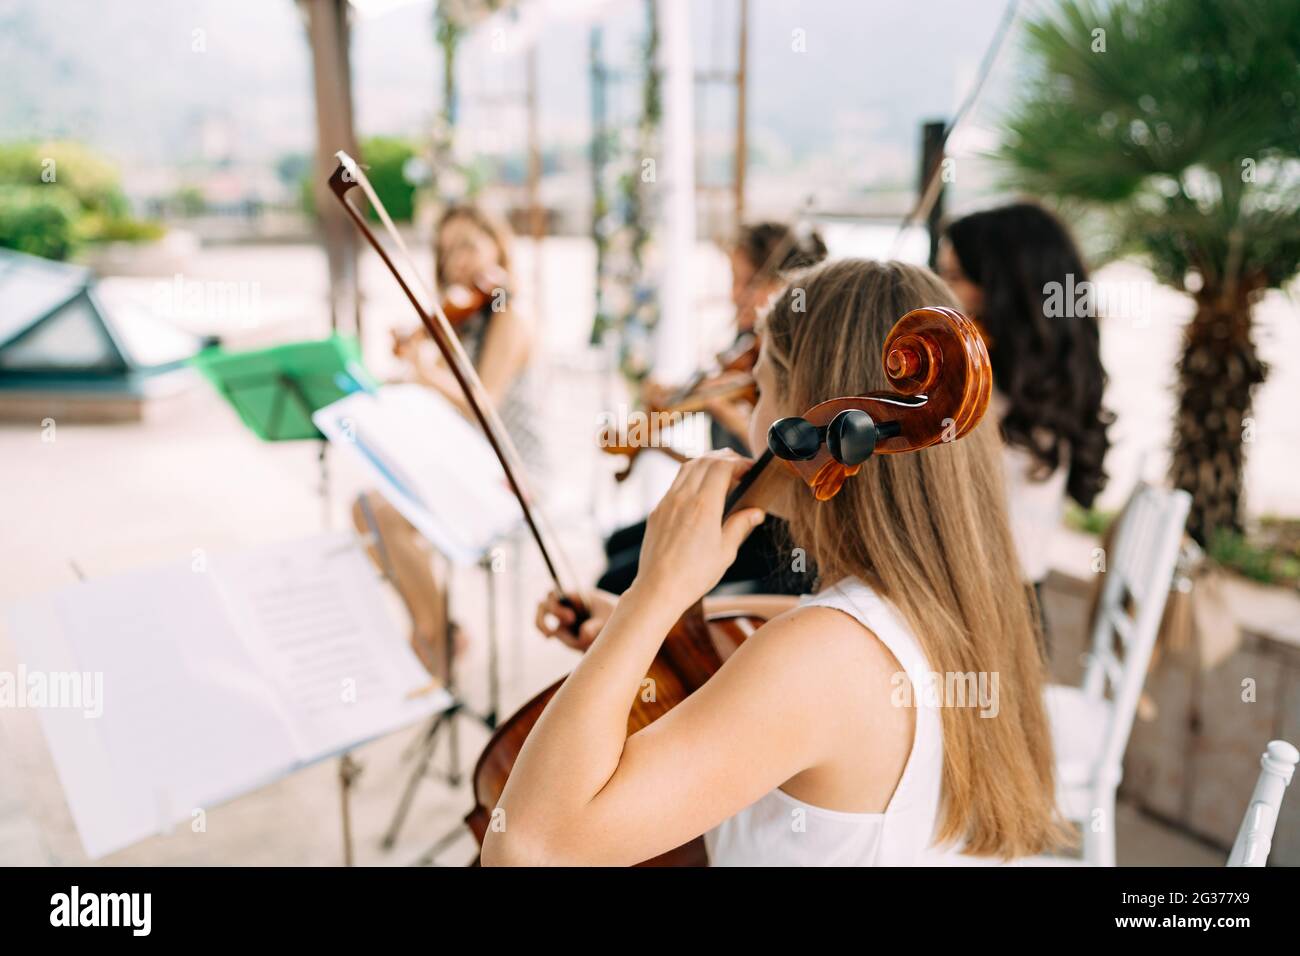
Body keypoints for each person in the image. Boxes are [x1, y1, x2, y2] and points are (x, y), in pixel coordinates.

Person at [484, 260, 1066, 866]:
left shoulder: (821, 654)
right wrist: (645, 629)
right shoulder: (954, 606)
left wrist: (651, 595)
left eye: (759, 390)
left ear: (822, 428)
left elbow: (528, 847)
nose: (749, 424)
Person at [353, 204, 538, 681]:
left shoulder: (509, 316)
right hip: (469, 462)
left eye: (469, 245)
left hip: (515, 474)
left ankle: (433, 641)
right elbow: (441, 396)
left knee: (382, 511)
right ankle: (439, 627)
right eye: (447, 251)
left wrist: (422, 369)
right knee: (365, 508)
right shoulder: (467, 319)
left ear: (499, 247)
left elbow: (482, 399)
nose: (458, 261)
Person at [598, 221, 827, 596]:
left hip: (779, 530)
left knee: (617, 581)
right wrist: (670, 401)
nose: (737, 295)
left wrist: (733, 418)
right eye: (734, 281)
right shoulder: (744, 347)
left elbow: (794, 473)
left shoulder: (802, 363)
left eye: (750, 282)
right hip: (737, 509)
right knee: (617, 545)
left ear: (793, 288)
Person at [938, 203, 1112, 640]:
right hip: (1017, 616)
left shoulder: (991, 397)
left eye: (954, 278)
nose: (938, 293)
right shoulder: (1053, 385)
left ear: (1006, 292)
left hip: (988, 629)